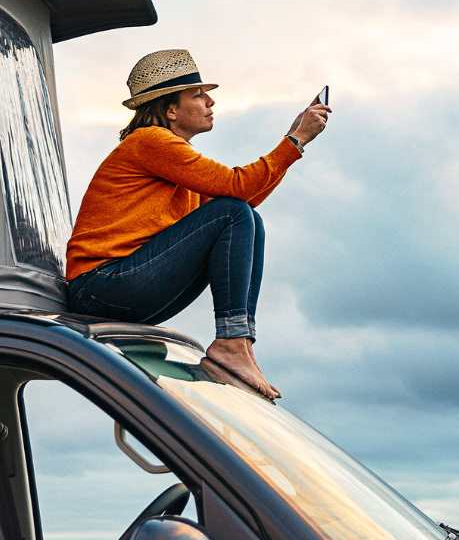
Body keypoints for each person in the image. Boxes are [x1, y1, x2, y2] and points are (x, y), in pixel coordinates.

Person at [65, 49, 330, 399]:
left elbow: (244, 202)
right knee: (233, 212)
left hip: (121, 286)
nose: (210, 102)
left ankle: (240, 344)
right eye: (198, 95)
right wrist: (294, 142)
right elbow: (236, 195)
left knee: (247, 217)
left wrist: (292, 138)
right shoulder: (151, 141)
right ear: (170, 109)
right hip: (101, 285)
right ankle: (232, 343)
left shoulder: (172, 156)